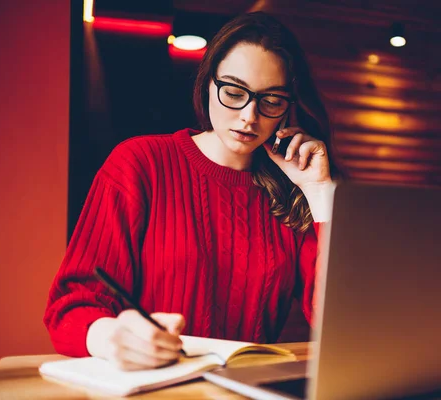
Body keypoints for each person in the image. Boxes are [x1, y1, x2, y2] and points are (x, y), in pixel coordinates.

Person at [43, 11, 341, 371]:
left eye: (271, 100)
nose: (249, 116)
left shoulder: (290, 192)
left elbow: (336, 319)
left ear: (287, 106)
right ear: (207, 84)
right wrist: (110, 337)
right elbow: (70, 305)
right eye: (234, 92)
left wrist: (320, 192)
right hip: (149, 388)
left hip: (245, 391)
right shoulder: (140, 163)